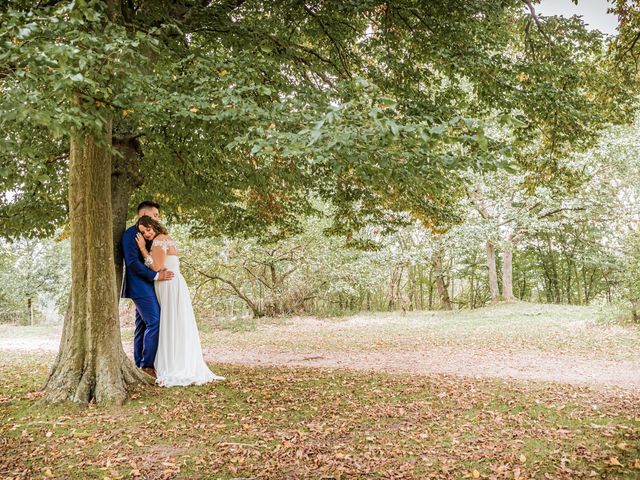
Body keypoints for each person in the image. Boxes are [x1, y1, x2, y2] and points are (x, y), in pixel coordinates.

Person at [135, 215, 225, 387]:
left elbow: (156, 267)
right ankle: (176, 358)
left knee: (170, 322)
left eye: (148, 229)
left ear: (154, 226)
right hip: (172, 284)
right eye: (142, 232)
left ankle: (173, 363)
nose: (146, 234)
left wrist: (142, 249)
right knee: (175, 322)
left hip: (168, 285)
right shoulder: (165, 239)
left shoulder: (160, 240)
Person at [121, 201, 174, 379]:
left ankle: (139, 363)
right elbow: (132, 262)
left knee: (142, 325)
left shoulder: (151, 235)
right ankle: (147, 365)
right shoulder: (131, 234)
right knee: (155, 321)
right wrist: (156, 277)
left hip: (150, 285)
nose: (158, 219)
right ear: (144, 213)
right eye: (155, 215)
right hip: (139, 285)